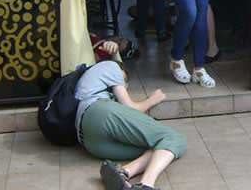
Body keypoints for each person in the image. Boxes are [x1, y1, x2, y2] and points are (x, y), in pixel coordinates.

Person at [75, 59, 186, 190]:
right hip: (100, 112)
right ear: (122, 70)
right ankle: (146, 185)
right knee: (174, 138)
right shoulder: (111, 66)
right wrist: (153, 99)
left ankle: (123, 172)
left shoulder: (91, 78)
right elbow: (130, 107)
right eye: (125, 80)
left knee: (160, 148)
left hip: (89, 141)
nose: (125, 84)